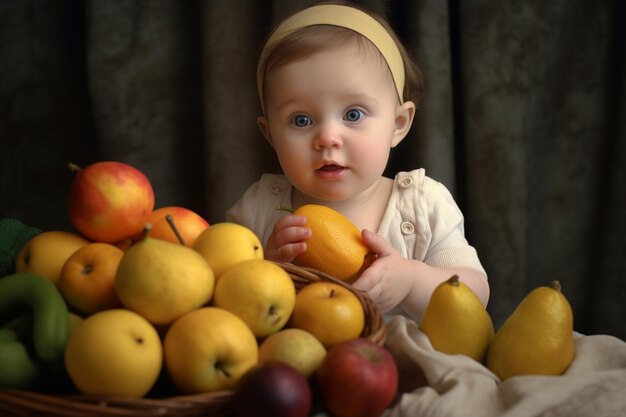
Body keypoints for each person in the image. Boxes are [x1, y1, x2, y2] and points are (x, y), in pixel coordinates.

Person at [226, 1, 489, 320]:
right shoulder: (258, 209)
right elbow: (219, 294)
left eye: (353, 114)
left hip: (403, 367)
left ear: (398, 124)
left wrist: (411, 279)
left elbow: (475, 295)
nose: (327, 137)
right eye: (301, 120)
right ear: (271, 136)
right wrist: (266, 269)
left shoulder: (422, 206)